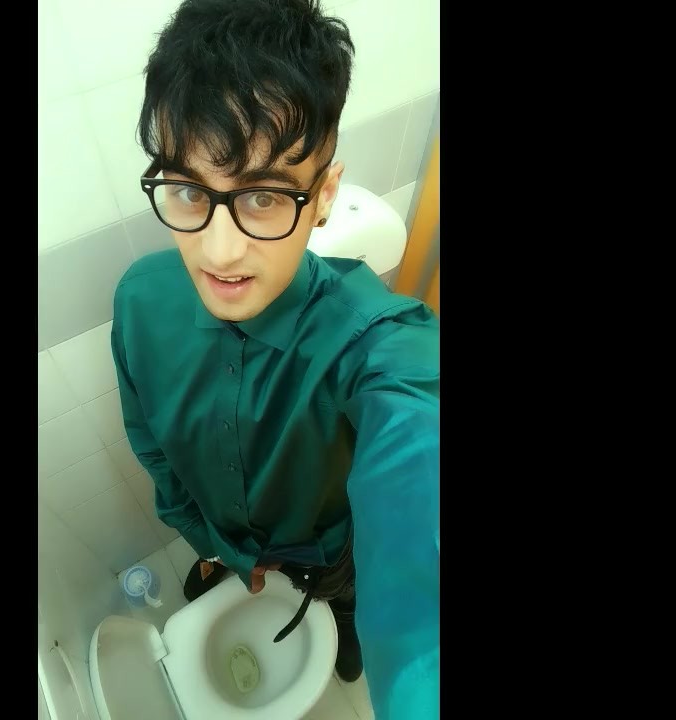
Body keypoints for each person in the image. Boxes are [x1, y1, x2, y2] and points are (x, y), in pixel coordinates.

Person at [111, 1, 439, 716]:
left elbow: (422, 434)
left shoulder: (372, 343)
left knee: (345, 603)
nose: (220, 251)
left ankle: (346, 628)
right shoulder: (139, 302)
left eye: (263, 196)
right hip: (222, 536)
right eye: (189, 190)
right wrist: (206, 539)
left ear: (323, 196)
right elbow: (152, 445)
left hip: (329, 551)